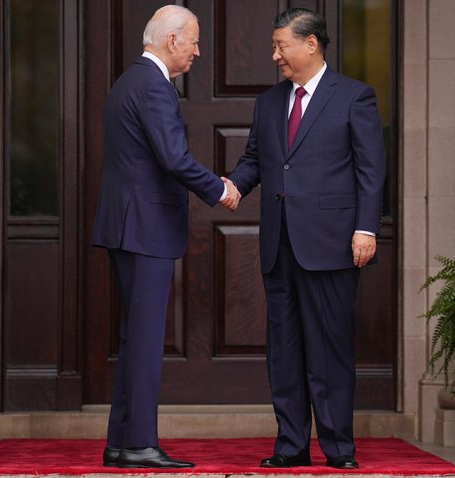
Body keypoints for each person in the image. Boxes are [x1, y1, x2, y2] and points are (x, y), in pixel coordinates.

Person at [226, 8, 386, 470]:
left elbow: (371, 171)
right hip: (280, 245)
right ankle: (291, 445)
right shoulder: (269, 102)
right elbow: (255, 157)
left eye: (282, 45)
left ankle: (339, 448)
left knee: (330, 350)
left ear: (311, 44)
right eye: (275, 46)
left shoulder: (355, 97)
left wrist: (366, 228)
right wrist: (233, 185)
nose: (275, 55)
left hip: (334, 243)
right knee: (285, 350)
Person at [91, 4, 240, 469]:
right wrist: (220, 189)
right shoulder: (154, 86)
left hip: (128, 226)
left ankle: (121, 443)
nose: (197, 51)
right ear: (172, 40)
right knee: (146, 338)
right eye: (193, 41)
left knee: (136, 338)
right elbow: (174, 159)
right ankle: (138, 443)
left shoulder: (128, 81)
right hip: (145, 229)